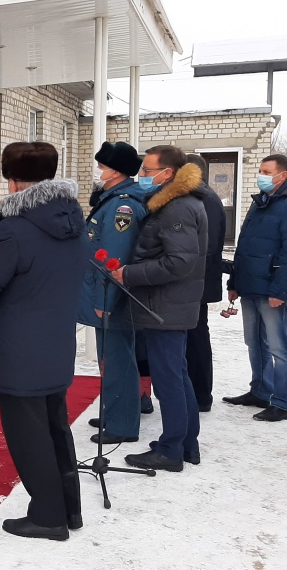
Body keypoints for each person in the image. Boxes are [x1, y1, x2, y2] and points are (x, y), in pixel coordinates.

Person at [0, 142, 87, 541]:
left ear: (12, 181)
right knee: (54, 428)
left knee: (28, 437)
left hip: (18, 351)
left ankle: (48, 517)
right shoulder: (73, 221)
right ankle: (68, 508)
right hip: (55, 345)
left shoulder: (12, 232)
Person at [112, 145, 208, 472]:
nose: (141, 177)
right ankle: (185, 443)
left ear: (167, 174)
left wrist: (131, 273)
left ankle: (170, 450)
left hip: (165, 306)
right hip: (169, 304)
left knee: (169, 380)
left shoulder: (176, 208)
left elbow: (179, 262)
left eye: (147, 171)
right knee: (177, 375)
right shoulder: (175, 203)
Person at [223, 154, 287, 421]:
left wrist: (281, 290)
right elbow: (245, 247)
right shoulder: (261, 202)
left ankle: (284, 402)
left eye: (265, 171)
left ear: (282, 176)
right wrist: (235, 281)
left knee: (279, 347)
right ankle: (261, 390)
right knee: (255, 342)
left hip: (272, 288)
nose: (259, 175)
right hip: (250, 285)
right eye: (260, 170)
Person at [78, 141, 147, 445]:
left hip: (113, 298)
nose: (99, 171)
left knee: (118, 360)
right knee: (112, 359)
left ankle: (122, 424)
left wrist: (105, 301)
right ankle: (115, 410)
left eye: (103, 166)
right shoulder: (112, 199)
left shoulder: (123, 207)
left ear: (117, 171)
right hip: (107, 296)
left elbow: (114, 259)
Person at [184, 154, 227, 412]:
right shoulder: (203, 196)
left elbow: (205, 247)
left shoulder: (205, 199)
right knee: (194, 336)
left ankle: (201, 395)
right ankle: (197, 393)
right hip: (197, 280)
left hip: (197, 282)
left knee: (197, 337)